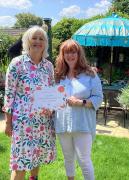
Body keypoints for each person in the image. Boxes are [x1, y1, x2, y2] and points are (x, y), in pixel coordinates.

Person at [3, 26, 56, 180]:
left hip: (42, 122)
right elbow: (9, 94)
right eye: (34, 38)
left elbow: (51, 92)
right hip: (23, 124)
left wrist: (51, 108)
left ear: (45, 43)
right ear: (27, 40)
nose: (38, 41)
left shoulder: (48, 66)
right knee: (20, 163)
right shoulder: (17, 63)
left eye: (41, 38)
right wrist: (8, 121)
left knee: (36, 157)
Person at [55, 39, 103, 180]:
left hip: (82, 125)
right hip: (63, 124)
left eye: (73, 52)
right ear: (62, 55)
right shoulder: (59, 76)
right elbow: (53, 99)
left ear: (78, 53)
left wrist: (80, 102)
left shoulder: (90, 74)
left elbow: (98, 98)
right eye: (66, 52)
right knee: (68, 159)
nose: (70, 55)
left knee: (84, 161)